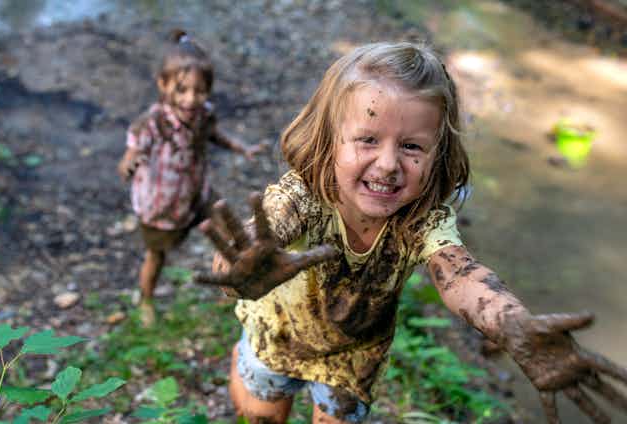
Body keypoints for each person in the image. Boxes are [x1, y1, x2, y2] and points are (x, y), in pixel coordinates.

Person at [193, 42, 627, 423]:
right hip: (276, 335)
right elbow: (253, 241)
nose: (387, 164)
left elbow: (461, 275)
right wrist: (238, 269)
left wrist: (511, 325)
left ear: (438, 155)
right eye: (367, 139)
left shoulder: (420, 219)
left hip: (354, 357)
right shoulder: (305, 195)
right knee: (259, 416)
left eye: (412, 146)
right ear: (329, 142)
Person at [118, 30, 263, 326]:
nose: (190, 99)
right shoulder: (153, 123)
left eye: (200, 91)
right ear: (162, 84)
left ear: (209, 90)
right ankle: (146, 299)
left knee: (230, 230)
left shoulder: (203, 113)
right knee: (156, 256)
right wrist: (132, 165)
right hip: (162, 204)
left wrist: (241, 147)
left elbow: (212, 134)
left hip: (197, 192)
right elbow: (127, 161)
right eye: (181, 90)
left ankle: (234, 285)